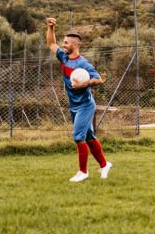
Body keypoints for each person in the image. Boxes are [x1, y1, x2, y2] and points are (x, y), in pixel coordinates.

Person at [46, 17, 112, 182]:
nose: (63, 45)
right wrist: (51, 28)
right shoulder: (64, 58)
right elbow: (51, 44)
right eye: (64, 42)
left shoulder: (84, 64)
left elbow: (98, 80)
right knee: (89, 137)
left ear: (76, 45)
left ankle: (83, 172)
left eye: (66, 43)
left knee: (78, 137)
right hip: (73, 105)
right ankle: (104, 165)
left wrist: (85, 83)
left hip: (85, 105)